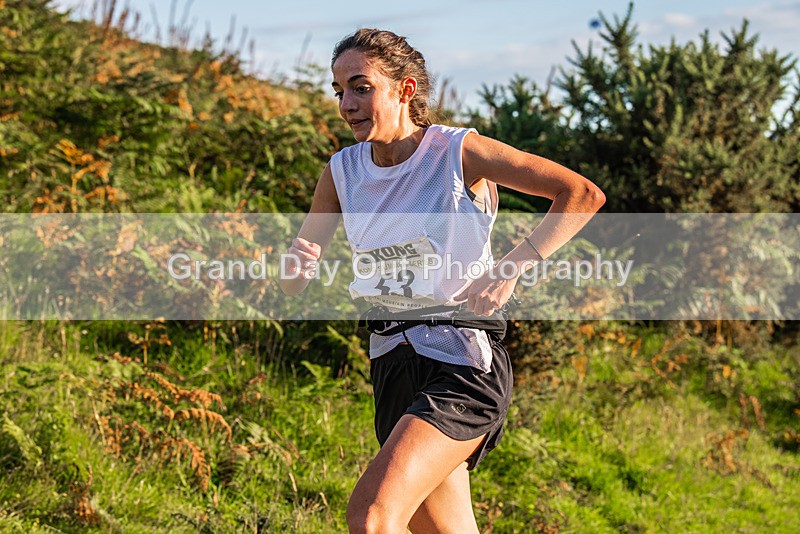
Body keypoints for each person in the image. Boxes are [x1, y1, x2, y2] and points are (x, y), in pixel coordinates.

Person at [279, 28, 605, 534]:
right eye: (339, 90)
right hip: (391, 363)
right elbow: (295, 282)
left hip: (461, 363)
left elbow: (580, 194)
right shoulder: (341, 172)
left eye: (361, 87)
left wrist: (511, 266)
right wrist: (296, 266)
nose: (346, 103)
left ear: (405, 90)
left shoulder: (456, 152)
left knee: (373, 516)